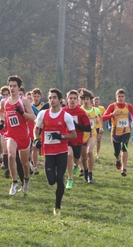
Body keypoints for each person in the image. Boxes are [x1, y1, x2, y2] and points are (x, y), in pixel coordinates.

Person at [34, 88, 76, 216]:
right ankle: (58, 179)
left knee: (59, 179)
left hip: (61, 151)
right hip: (48, 152)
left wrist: (62, 137)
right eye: (50, 98)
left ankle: (57, 206)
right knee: (51, 181)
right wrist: (36, 139)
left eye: (54, 98)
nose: (52, 100)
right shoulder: (43, 114)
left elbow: (73, 135)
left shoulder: (66, 116)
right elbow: (36, 129)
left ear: (60, 100)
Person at [0, 75, 36, 195]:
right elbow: (1, 111)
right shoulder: (4, 101)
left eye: (15, 86)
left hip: (23, 135)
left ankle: (26, 179)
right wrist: (2, 121)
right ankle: (14, 182)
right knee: (10, 156)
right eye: (10, 86)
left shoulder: (23, 101)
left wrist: (22, 113)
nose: (12, 88)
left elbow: (33, 117)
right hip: (10, 134)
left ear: (19, 88)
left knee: (24, 162)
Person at [102, 89, 133, 176]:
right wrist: (112, 114)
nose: (120, 98)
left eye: (122, 96)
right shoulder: (112, 106)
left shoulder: (128, 106)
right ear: (116, 97)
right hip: (115, 133)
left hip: (126, 131)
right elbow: (103, 118)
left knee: (124, 147)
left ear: (125, 97)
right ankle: (118, 159)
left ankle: (124, 168)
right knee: (116, 152)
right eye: (119, 96)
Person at [63, 90, 91, 189]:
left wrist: (76, 126)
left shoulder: (81, 112)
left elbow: (88, 128)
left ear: (78, 100)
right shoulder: (63, 111)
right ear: (67, 99)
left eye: (74, 98)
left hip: (78, 139)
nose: (72, 100)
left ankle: (76, 165)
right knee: (69, 155)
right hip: (67, 138)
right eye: (70, 98)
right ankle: (70, 179)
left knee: (76, 158)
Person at [80, 90, 103, 183]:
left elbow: (100, 118)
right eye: (84, 99)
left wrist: (101, 127)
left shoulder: (95, 110)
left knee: (89, 152)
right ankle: (85, 170)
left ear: (90, 100)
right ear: (82, 100)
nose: (86, 101)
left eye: (88, 99)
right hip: (82, 135)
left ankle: (90, 174)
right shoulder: (80, 110)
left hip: (91, 134)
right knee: (84, 157)